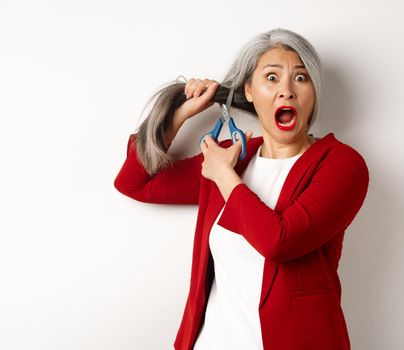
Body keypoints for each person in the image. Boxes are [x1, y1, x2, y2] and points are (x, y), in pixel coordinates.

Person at [114, 28, 369, 350]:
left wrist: (223, 175)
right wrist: (180, 114)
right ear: (249, 90)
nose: (287, 90)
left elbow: (278, 242)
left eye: (301, 78)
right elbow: (135, 182)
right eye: (272, 77)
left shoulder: (341, 164)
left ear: (314, 93)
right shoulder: (234, 156)